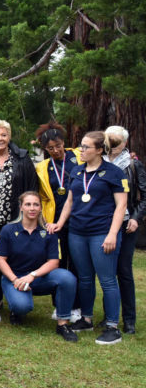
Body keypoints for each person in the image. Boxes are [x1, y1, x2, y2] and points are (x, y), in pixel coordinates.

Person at [49, 131, 128, 345]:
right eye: (81, 146)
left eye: (86, 147)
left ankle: (112, 327)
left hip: (102, 233)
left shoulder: (114, 172)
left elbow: (121, 206)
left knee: (107, 280)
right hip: (77, 232)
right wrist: (61, 223)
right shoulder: (76, 171)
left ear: (100, 150)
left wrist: (113, 233)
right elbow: (70, 202)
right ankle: (87, 319)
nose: (81, 150)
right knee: (84, 278)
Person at [0, 119, 38, 323]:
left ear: (9, 137)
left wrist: (28, 218)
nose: (0, 138)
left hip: (15, 222)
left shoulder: (22, 158)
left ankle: (16, 305)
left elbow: (31, 189)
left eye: (3, 135)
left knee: (15, 263)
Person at [0, 192, 79, 342]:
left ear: (41, 208)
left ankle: (63, 324)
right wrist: (15, 279)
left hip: (39, 277)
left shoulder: (48, 231)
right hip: (15, 278)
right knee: (22, 306)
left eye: (36, 204)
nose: (32, 208)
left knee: (67, 278)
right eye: (28, 204)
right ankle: (17, 311)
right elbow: (0, 259)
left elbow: (54, 262)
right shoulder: (8, 230)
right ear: (21, 207)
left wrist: (33, 275)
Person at [34, 122, 82, 321]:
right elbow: (39, 196)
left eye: (58, 146)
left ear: (64, 142)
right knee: (57, 263)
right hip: (54, 223)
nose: (55, 151)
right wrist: (44, 221)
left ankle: (78, 307)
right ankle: (59, 305)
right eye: (50, 148)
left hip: (79, 219)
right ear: (45, 149)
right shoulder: (42, 168)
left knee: (78, 264)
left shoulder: (80, 156)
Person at [103, 126, 146, 334]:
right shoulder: (98, 162)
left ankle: (129, 320)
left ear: (125, 143)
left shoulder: (133, 165)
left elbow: (144, 196)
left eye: (117, 141)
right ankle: (108, 317)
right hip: (103, 223)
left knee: (124, 271)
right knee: (106, 271)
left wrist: (137, 218)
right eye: (109, 140)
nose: (113, 145)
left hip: (127, 224)